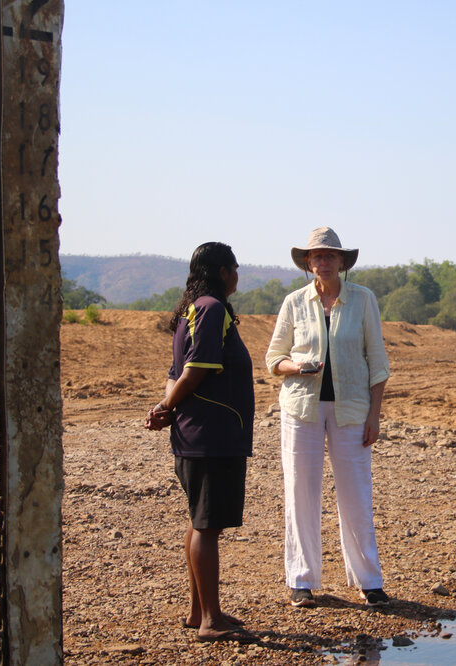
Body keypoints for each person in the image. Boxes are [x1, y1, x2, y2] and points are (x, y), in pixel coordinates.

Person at [265, 227, 391, 608]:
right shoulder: (294, 302)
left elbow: (378, 363)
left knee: (356, 493)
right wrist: (296, 366)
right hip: (301, 409)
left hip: (352, 410)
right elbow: (274, 359)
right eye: (316, 256)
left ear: (341, 262)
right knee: (300, 492)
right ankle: (301, 581)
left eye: (329, 256)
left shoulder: (363, 300)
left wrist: (375, 415)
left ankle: (369, 582)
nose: (323, 262)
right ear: (308, 263)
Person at [145, 242, 258, 643]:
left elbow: (174, 372)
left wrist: (166, 408)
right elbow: (193, 371)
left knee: (199, 522)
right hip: (212, 436)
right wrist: (165, 405)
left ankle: (199, 612)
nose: (237, 276)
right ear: (224, 272)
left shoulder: (193, 310)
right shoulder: (212, 308)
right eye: (235, 268)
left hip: (197, 434)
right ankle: (211, 620)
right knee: (206, 527)